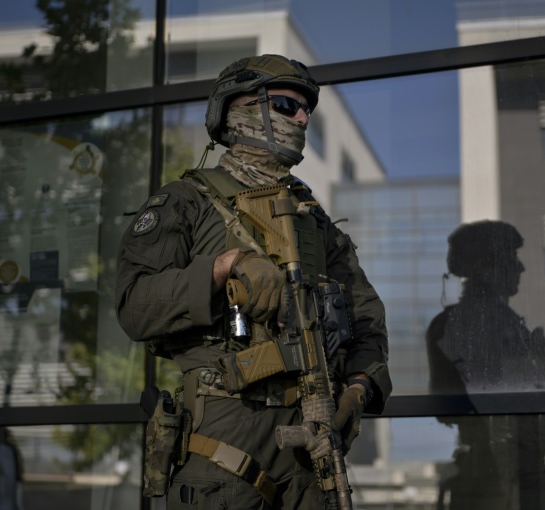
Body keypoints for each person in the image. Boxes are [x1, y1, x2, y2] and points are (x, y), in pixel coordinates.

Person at [116, 54, 391, 509]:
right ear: (240, 108)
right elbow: (134, 306)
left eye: (307, 109)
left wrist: (359, 388)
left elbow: (366, 317)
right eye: (287, 104)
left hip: (311, 442)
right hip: (224, 440)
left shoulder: (312, 219)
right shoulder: (187, 201)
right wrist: (224, 266)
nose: (302, 117)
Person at [426, 220, 545, 510]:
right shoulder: (483, 324)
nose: (520, 268)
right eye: (512, 258)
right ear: (487, 267)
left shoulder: (455, 323)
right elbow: (479, 401)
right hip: (502, 479)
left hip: (503, 474)